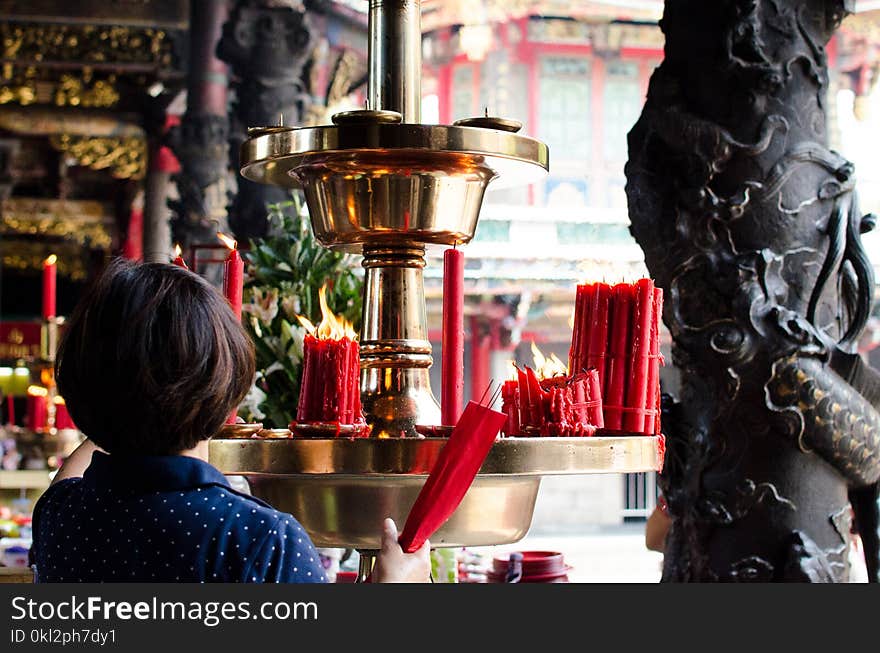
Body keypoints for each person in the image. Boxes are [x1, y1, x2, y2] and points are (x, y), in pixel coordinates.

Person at [29, 258, 430, 583]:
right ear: (224, 392)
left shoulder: (63, 516)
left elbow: (72, 474)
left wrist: (114, 401)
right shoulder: (261, 540)